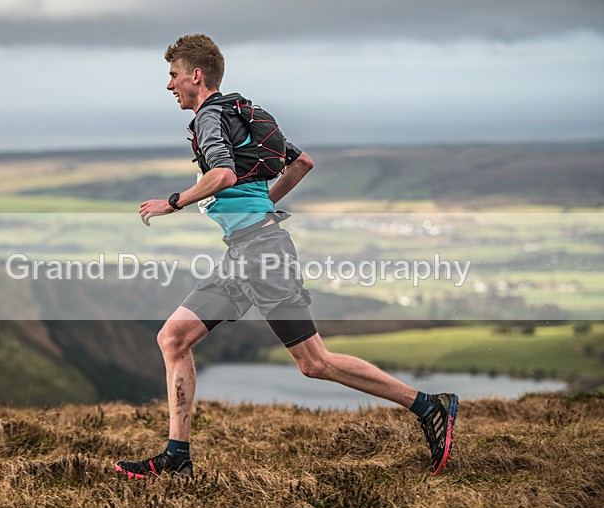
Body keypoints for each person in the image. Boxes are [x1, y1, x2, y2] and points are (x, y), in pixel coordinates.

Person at [116, 34, 458, 479]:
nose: (170, 86)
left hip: (260, 253)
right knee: (174, 340)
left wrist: (173, 202)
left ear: (196, 76)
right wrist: (262, 211)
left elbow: (220, 174)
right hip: (247, 252)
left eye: (173, 75)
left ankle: (429, 406)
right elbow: (302, 163)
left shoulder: (208, 119)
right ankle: (176, 457)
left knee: (314, 363)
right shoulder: (245, 112)